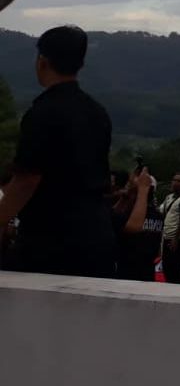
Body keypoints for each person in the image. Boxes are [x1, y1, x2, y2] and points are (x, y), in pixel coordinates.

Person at [0, 26, 115, 277]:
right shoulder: (97, 113)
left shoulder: (43, 113)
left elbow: (26, 180)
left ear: (42, 61)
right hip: (97, 235)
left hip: (53, 238)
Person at [109, 167, 161, 281]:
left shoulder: (156, 213)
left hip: (144, 268)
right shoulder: (125, 212)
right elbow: (131, 227)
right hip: (127, 269)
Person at [158, 172, 180, 285]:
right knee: (167, 266)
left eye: (179, 181)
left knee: (176, 267)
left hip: (177, 239)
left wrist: (176, 239)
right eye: (174, 180)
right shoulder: (168, 198)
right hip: (166, 236)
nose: (175, 183)